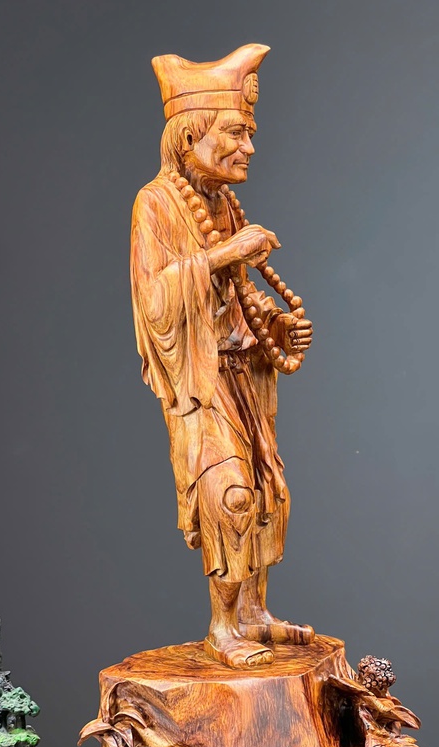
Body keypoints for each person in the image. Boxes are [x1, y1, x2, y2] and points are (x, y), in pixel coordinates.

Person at [130, 44, 313, 669]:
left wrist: (274, 328)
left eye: (248, 133)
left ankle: (254, 613)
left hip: (240, 374)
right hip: (199, 382)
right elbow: (155, 299)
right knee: (229, 495)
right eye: (236, 133)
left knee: (266, 491)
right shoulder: (156, 204)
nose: (249, 147)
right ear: (190, 136)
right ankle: (222, 627)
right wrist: (224, 254)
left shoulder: (225, 206)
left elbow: (236, 301)